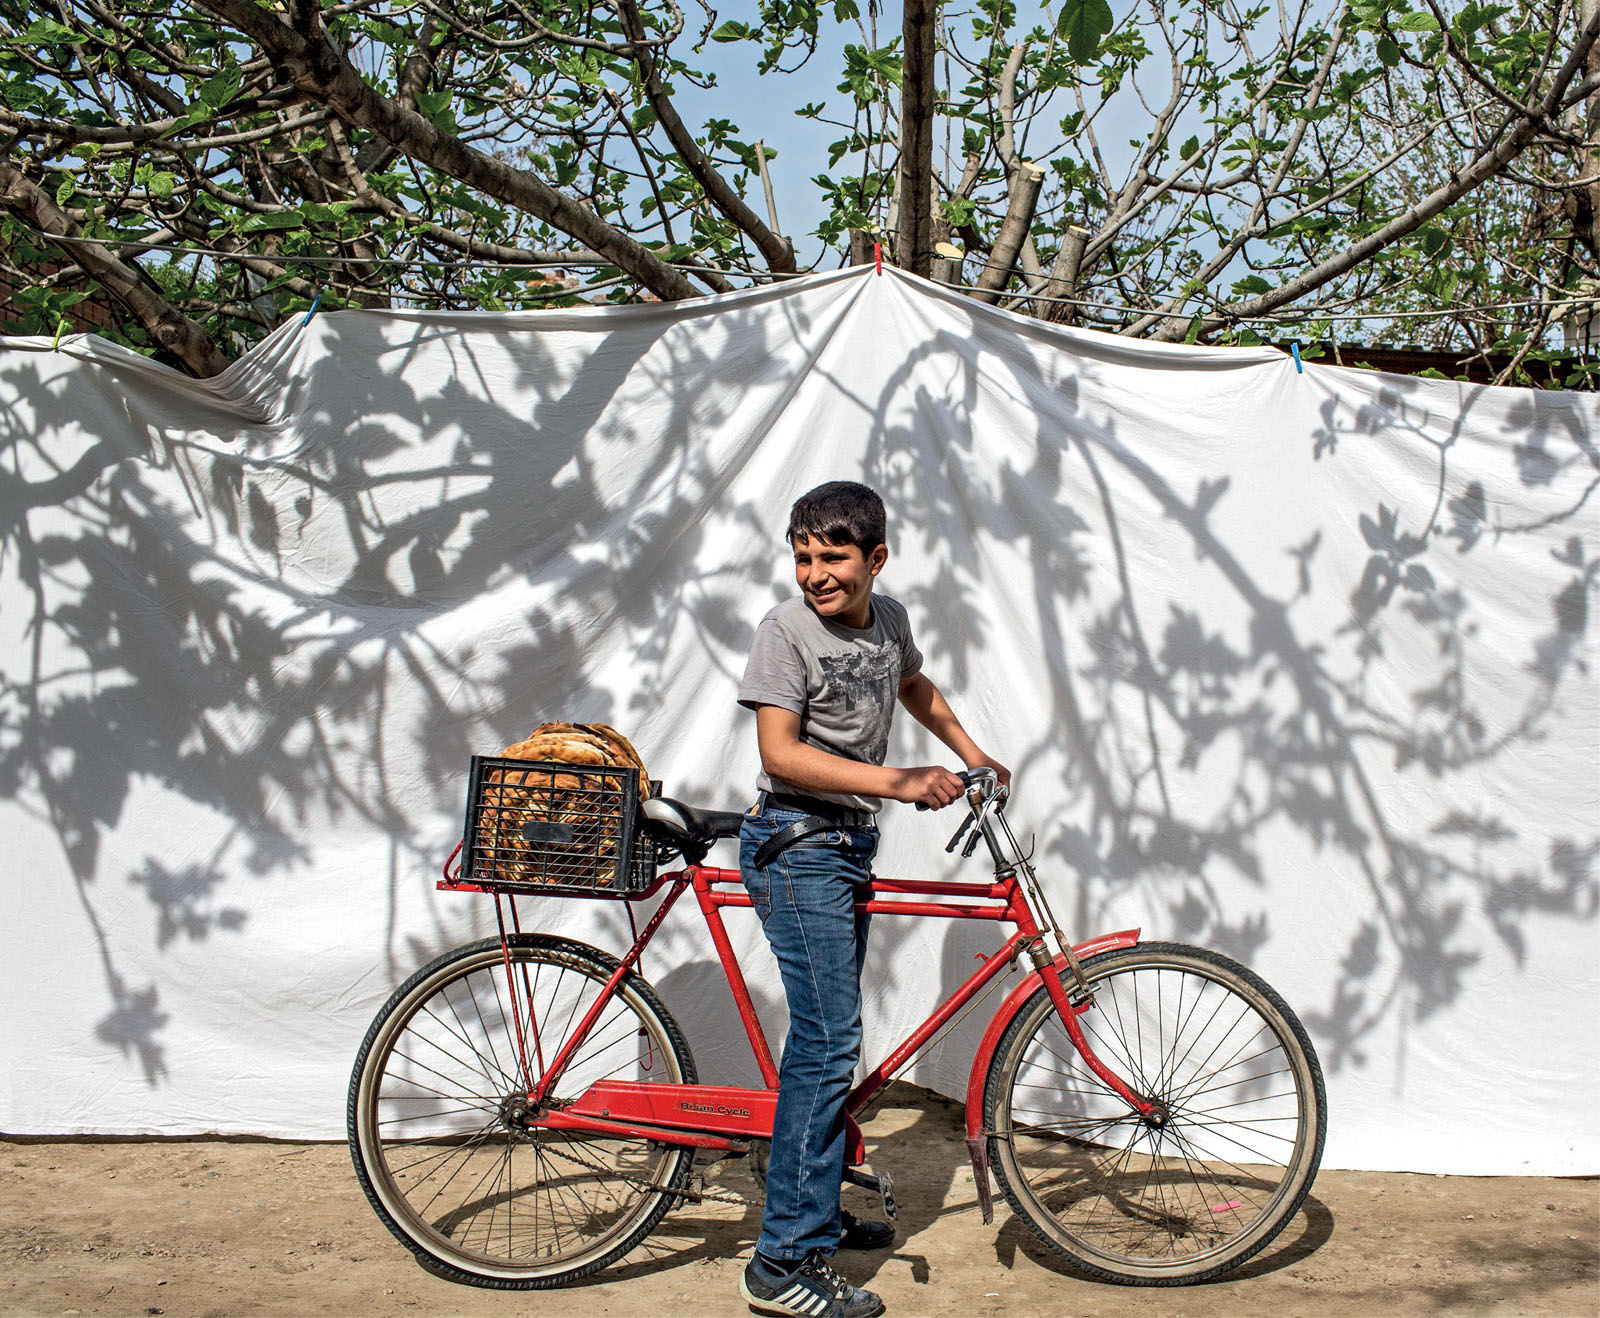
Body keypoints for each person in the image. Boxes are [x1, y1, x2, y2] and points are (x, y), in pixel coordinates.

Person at [735, 480, 1009, 1318]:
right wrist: (897, 780)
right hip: (796, 845)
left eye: (834, 557)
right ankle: (782, 1263)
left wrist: (973, 752)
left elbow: (910, 685)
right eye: (803, 556)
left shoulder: (887, 620)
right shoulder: (784, 633)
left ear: (875, 559)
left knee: (825, 1043)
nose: (816, 573)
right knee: (827, 1045)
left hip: (845, 845)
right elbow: (781, 754)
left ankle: (808, 1209)